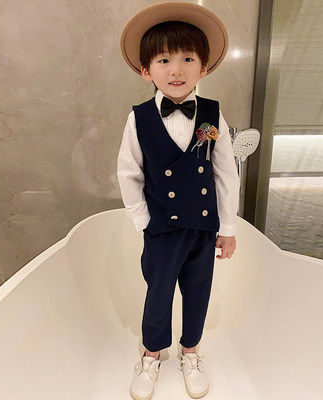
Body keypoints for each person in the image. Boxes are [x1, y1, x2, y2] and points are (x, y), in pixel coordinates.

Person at [117, 2, 240, 399]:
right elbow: (129, 173)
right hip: (162, 228)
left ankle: (191, 352)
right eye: (164, 60)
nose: (176, 70)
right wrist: (143, 221)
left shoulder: (210, 116)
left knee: (198, 291)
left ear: (203, 68)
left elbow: (224, 172)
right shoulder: (139, 118)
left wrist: (228, 227)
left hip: (203, 226)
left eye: (187, 59)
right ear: (145, 70)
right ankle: (151, 354)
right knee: (158, 292)